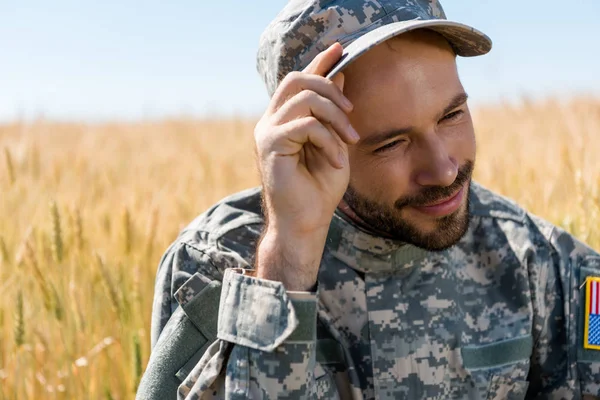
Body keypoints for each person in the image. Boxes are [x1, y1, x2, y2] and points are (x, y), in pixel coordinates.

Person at [136, 0, 600, 399]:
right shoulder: (212, 270)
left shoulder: (542, 263)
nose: (444, 169)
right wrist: (288, 256)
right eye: (391, 143)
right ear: (312, 140)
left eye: (452, 115)